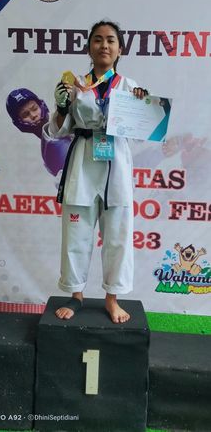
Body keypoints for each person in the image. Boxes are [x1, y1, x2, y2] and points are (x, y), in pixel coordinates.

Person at [48, 20, 148, 323]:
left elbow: (144, 133)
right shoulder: (74, 84)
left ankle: (112, 298)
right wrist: (63, 106)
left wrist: (143, 108)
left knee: (117, 235)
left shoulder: (132, 88)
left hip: (116, 163)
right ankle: (76, 295)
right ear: (89, 47)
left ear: (120, 49)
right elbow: (55, 130)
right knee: (76, 234)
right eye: (98, 40)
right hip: (83, 161)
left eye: (111, 40)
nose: (104, 45)